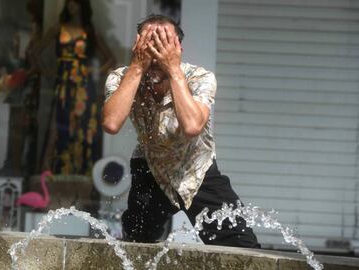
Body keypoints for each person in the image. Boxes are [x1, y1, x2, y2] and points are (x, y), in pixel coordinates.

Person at [102, 14, 259, 248]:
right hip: (151, 169)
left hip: (196, 169)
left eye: (163, 45)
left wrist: (173, 69)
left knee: (243, 246)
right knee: (135, 246)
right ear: (137, 46)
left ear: (178, 49)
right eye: (150, 44)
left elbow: (192, 126)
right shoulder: (122, 77)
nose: (156, 55)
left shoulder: (200, 78)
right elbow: (111, 123)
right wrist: (136, 67)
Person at [40, 0, 115, 175]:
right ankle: (54, 167)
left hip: (84, 85)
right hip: (64, 83)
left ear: (83, 6)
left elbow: (110, 59)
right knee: (59, 121)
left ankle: (81, 170)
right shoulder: (59, 28)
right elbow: (35, 52)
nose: (73, 7)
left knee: (84, 124)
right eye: (70, 3)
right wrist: (48, 73)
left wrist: (94, 73)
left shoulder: (89, 31)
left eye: (76, 3)